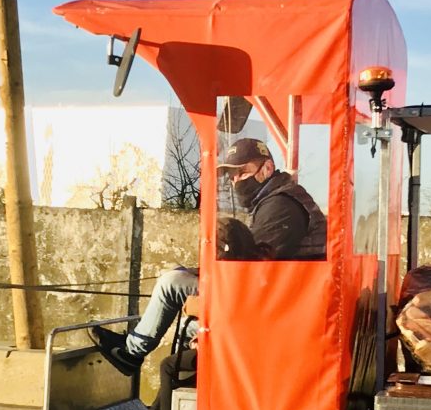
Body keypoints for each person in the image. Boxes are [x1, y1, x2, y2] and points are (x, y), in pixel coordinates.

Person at [89, 136, 327, 378]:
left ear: (266, 168)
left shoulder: (280, 207)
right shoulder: (280, 199)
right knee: (180, 282)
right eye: (232, 176)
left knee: (171, 285)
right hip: (281, 308)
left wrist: (202, 297)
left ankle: (130, 354)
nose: (235, 181)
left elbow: (250, 271)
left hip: (275, 316)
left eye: (242, 172)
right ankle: (156, 403)